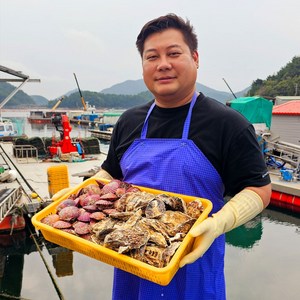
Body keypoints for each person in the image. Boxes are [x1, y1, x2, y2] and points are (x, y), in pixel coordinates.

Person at [95, 13, 271, 300]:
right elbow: (111, 176)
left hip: (194, 266)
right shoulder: (128, 121)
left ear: (195, 58)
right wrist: (85, 191)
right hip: (131, 261)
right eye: (152, 57)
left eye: (173, 53)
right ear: (143, 66)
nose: (163, 64)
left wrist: (219, 223)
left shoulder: (228, 124)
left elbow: (259, 189)